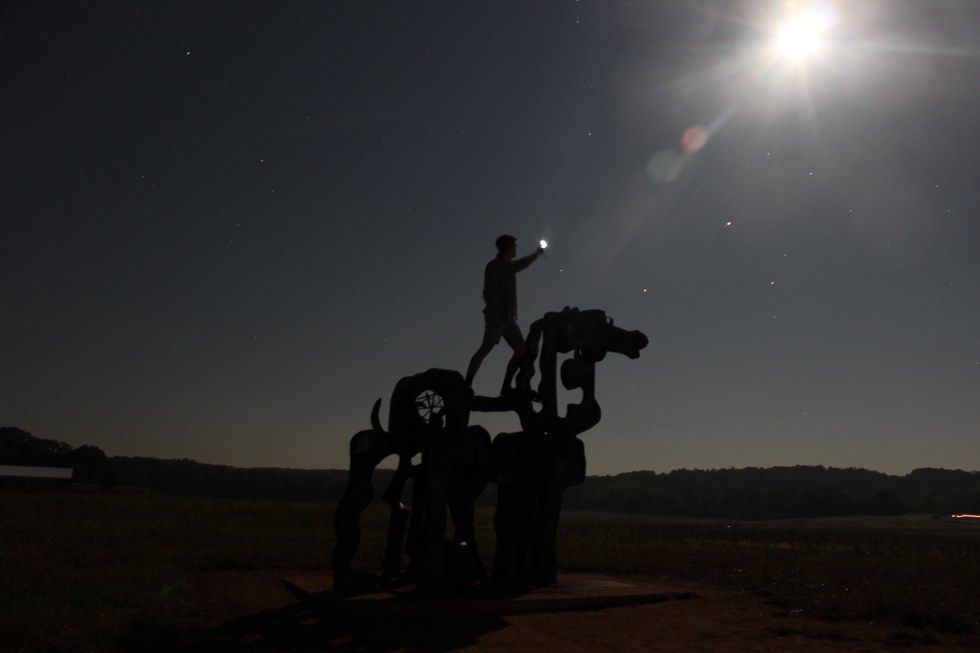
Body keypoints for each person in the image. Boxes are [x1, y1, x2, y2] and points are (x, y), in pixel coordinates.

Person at [465, 234, 544, 395]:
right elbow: (488, 292)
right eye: (514, 247)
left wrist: (536, 254)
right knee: (486, 348)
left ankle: (506, 387)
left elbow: (523, 263)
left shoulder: (509, 266)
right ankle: (467, 384)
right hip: (497, 318)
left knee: (521, 350)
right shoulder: (495, 266)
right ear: (508, 248)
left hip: (509, 319)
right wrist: (498, 312)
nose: (516, 250)